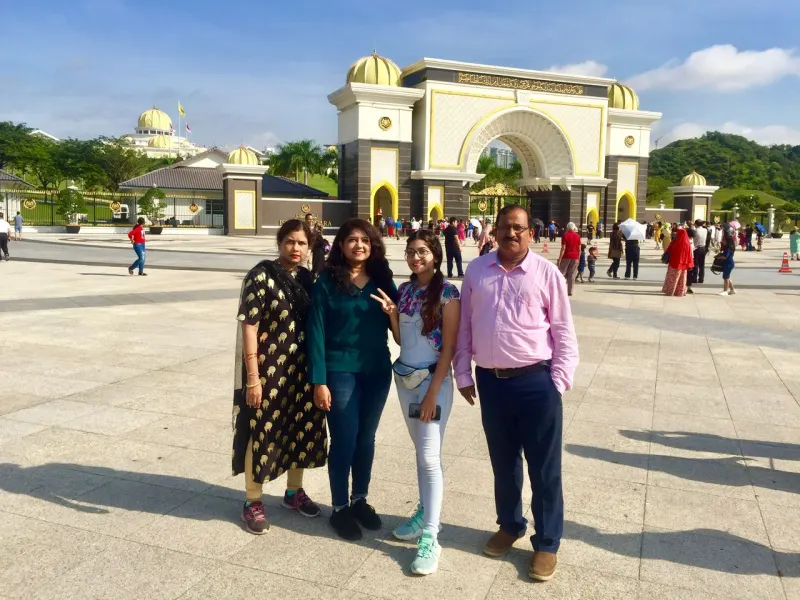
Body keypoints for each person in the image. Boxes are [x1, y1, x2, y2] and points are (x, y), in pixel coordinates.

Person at [454, 204, 578, 583]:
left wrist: (557, 381)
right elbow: (465, 327)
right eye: (506, 227)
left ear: (531, 233)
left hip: (535, 383)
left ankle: (547, 543)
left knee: (544, 467)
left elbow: (563, 330)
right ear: (496, 231)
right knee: (504, 462)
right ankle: (510, 524)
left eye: (519, 228)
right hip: (492, 382)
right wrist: (463, 373)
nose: (512, 234)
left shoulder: (546, 273)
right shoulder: (477, 271)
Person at [370, 230, 460, 575]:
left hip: (431, 383)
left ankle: (431, 537)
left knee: (428, 456)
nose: (415, 257)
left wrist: (434, 392)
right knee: (421, 454)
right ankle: (424, 512)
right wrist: (393, 314)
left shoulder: (448, 294)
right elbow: (401, 339)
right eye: (410, 252)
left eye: (422, 251)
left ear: (435, 255)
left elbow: (448, 349)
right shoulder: (405, 291)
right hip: (405, 380)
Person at [234, 219, 326, 534]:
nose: (296, 248)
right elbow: (249, 324)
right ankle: (253, 500)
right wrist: (252, 377)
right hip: (268, 370)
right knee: (261, 429)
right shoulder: (261, 276)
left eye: (302, 243)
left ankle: (293, 492)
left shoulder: (309, 278)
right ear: (279, 242)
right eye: (290, 241)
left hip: (302, 371)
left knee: (301, 427)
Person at [308, 218, 397, 541]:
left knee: (366, 439)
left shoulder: (383, 281)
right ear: (341, 246)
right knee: (344, 439)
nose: (359, 245)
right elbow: (315, 333)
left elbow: (402, 330)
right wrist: (319, 381)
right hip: (339, 370)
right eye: (352, 240)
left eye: (365, 240)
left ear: (373, 245)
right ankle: (340, 507)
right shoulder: (326, 283)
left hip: (376, 371)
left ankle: (360, 499)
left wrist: (393, 313)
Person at [662, 228, 694, 297]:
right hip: (683, 264)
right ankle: (680, 292)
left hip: (674, 263)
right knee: (682, 279)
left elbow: (669, 250)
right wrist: (690, 264)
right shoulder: (687, 243)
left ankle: (671, 291)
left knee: (672, 278)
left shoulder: (675, 242)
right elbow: (690, 255)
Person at [557, 222, 581, 296]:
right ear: (574, 228)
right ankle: (570, 291)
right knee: (572, 274)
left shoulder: (565, 235)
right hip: (575, 256)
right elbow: (579, 249)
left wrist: (560, 258)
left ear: (567, 228)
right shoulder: (578, 236)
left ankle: (561, 290)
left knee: (562, 273)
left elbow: (563, 248)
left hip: (566, 256)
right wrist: (578, 258)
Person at [690, 219, 708, 286]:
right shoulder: (705, 230)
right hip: (703, 247)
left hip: (696, 248)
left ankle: (694, 278)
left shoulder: (695, 231)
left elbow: (693, 238)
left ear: (696, 224)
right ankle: (701, 278)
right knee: (702, 264)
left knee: (695, 264)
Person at [718, 231, 737, 296]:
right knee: (727, 277)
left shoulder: (728, 247)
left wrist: (719, 257)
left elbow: (725, 256)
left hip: (728, 263)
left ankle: (725, 290)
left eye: (723, 239)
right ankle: (732, 290)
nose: (722, 240)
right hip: (729, 263)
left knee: (725, 277)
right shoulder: (728, 246)